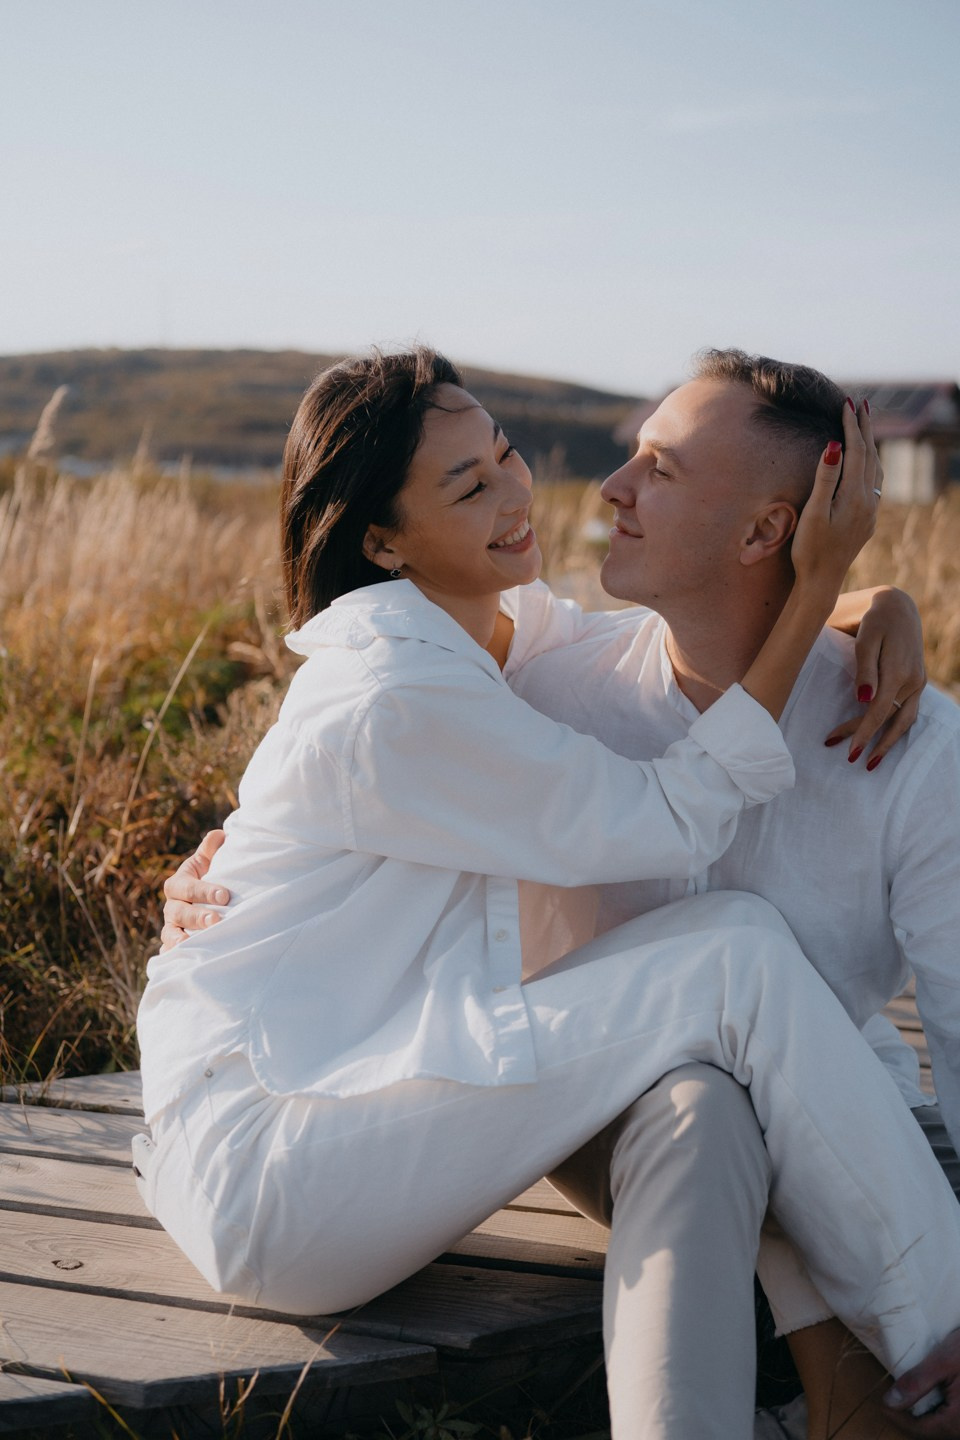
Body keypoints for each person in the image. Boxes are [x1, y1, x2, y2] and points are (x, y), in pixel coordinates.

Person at [142, 346, 960, 1440]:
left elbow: (667, 630)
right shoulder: (397, 690)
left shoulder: (499, 637)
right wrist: (816, 586)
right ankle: (937, 1342)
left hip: (383, 1084)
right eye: (468, 484)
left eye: (506, 455)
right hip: (287, 1145)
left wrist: (863, 597)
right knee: (734, 950)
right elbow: (672, 809)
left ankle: (819, 1412)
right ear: (381, 540)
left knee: (700, 1110)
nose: (525, 490)